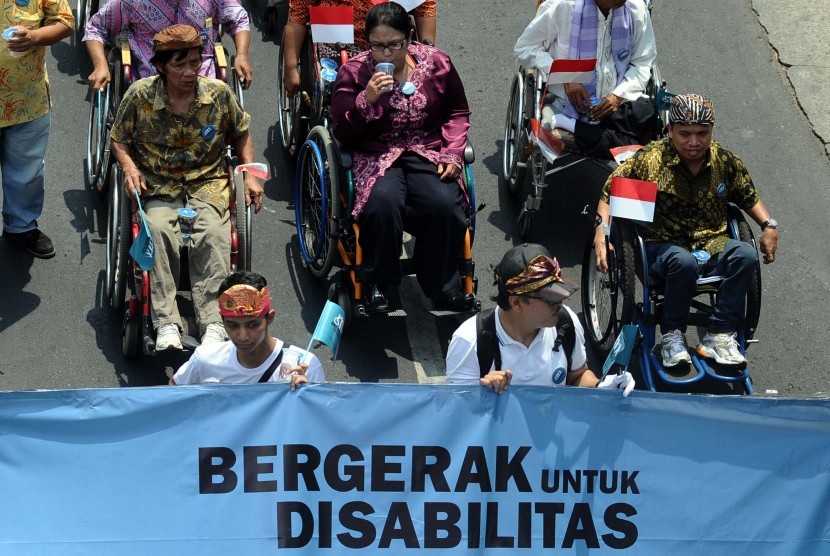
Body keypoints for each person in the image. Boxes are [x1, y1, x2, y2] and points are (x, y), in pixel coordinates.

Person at [593, 93, 779, 368]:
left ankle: (719, 334)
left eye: (702, 134)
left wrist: (768, 225)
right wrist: (601, 233)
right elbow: (610, 191)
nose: (694, 142)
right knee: (683, 262)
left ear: (711, 130)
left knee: (745, 255)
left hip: (711, 241)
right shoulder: (650, 161)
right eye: (685, 134)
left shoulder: (724, 162)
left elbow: (747, 196)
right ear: (670, 130)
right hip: (661, 245)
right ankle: (672, 335)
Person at [110, 25, 264, 351]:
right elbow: (118, 139)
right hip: (158, 184)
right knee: (156, 229)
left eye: (195, 62)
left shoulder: (219, 94)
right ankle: (166, 322)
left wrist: (249, 173)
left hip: (206, 183)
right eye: (180, 65)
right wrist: (128, 166)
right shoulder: (139, 96)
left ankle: (213, 323)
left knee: (215, 234)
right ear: (162, 65)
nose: (190, 72)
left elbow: (242, 134)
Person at [331, 1, 472, 314]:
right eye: (378, 46)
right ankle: (378, 282)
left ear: (410, 38)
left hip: (427, 149)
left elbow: (457, 111)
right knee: (383, 204)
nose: (386, 54)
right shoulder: (353, 72)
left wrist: (451, 151)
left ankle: (442, 287)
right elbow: (341, 129)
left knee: (444, 205)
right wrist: (366, 99)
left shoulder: (437, 63)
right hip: (377, 153)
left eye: (394, 45)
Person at [446, 243, 635, 396]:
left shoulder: (566, 322)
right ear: (517, 302)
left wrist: (602, 388)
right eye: (548, 298)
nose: (559, 302)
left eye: (559, 291)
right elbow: (456, 415)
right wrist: (482, 394)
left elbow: (577, 376)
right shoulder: (469, 341)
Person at [513, 0, 658, 158]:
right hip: (565, 104)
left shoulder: (636, 8)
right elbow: (524, 49)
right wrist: (567, 77)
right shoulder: (563, 6)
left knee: (649, 113)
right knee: (638, 145)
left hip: (615, 107)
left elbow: (643, 61)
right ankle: (596, 135)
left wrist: (617, 96)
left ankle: (574, 128)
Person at [1, 0, 73, 258]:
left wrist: (34, 36)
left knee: (27, 170)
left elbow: (64, 22)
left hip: (27, 100)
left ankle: (21, 227)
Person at [171, 271, 325, 386]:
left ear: (270, 318)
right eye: (232, 325)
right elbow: (172, 393)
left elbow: (320, 424)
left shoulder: (305, 365)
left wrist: (308, 395)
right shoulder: (205, 359)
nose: (242, 336)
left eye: (253, 325)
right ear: (222, 321)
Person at [83, 0, 253, 92]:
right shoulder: (133, 2)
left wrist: (242, 55)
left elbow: (239, 19)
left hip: (202, 79)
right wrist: (100, 65)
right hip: (150, 82)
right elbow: (96, 28)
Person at [282, 0, 437, 96]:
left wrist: (427, 55)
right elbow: (297, 17)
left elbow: (424, 6)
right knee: (338, 91)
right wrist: (290, 68)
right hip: (340, 42)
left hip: (390, 43)